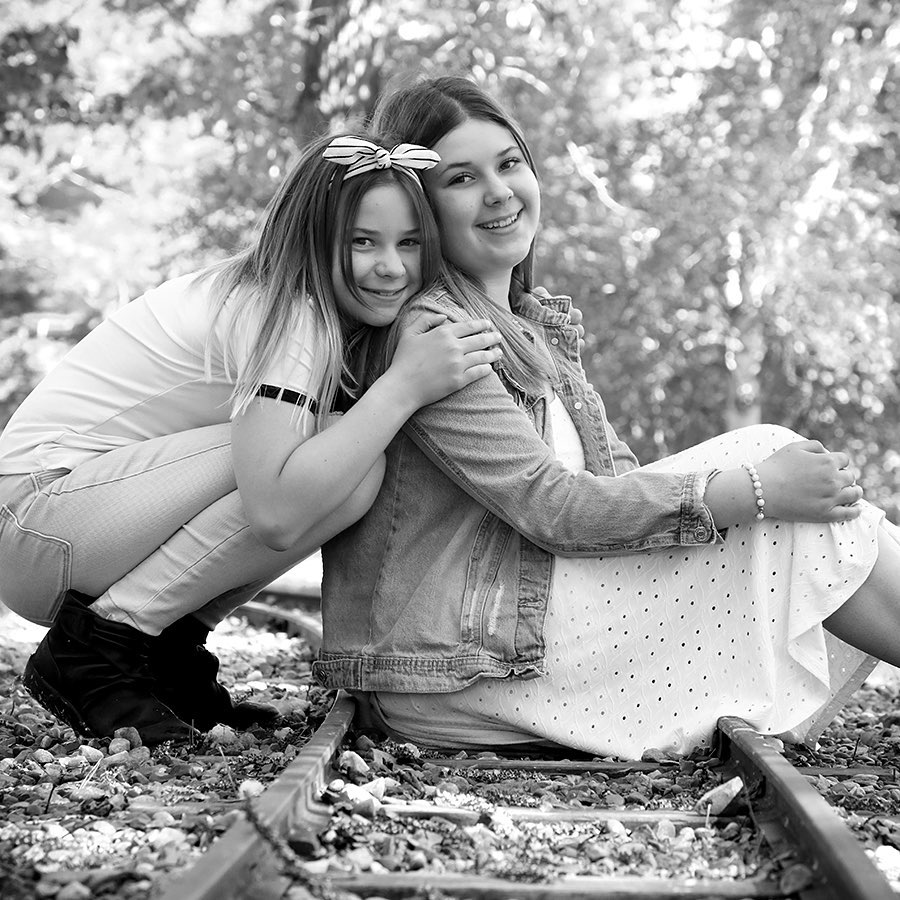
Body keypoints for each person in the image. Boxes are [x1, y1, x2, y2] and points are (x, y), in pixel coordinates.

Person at [315, 75, 900, 760]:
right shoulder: (440, 335)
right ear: (422, 209)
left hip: (517, 640)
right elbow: (553, 506)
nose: (499, 192)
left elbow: (619, 483)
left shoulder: (529, 327)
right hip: (459, 666)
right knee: (768, 467)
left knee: (795, 495)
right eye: (462, 179)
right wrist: (757, 488)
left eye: (509, 163)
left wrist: (759, 489)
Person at [0, 129, 503, 745]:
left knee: (344, 460)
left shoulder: (299, 305)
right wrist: (402, 388)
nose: (391, 267)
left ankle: (164, 650)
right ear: (313, 239)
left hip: (69, 527)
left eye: (410, 243)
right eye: (361, 242)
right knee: (337, 456)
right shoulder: (288, 311)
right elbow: (275, 512)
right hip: (35, 523)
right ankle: (100, 648)